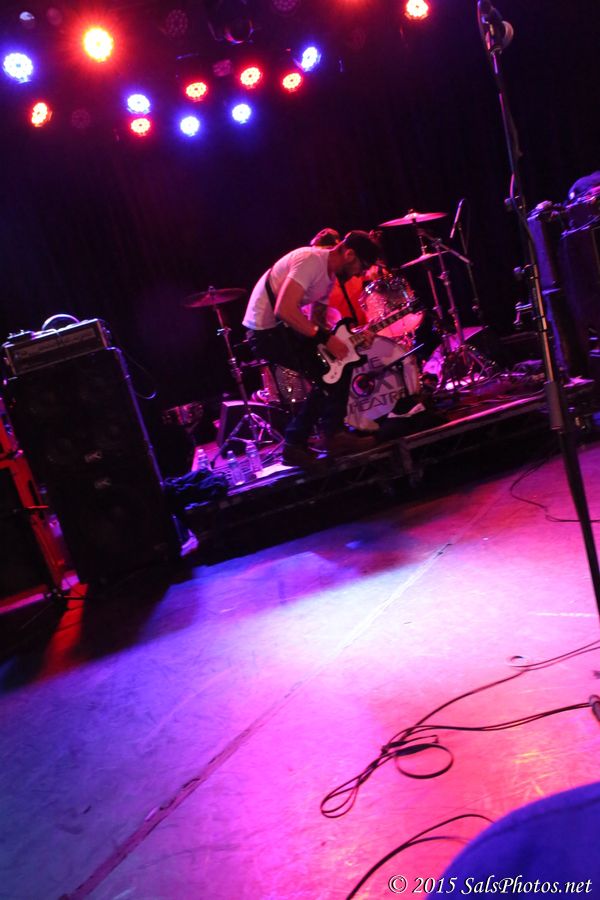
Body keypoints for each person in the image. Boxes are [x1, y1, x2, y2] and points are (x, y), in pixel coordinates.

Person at [243, 231, 381, 468]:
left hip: (283, 328)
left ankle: (334, 435)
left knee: (343, 361)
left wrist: (352, 341)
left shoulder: (328, 276)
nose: (360, 274)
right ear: (350, 254)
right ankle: (295, 444)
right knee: (326, 377)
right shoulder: (311, 261)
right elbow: (284, 309)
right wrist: (326, 339)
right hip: (265, 333)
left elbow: (318, 322)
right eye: (363, 266)